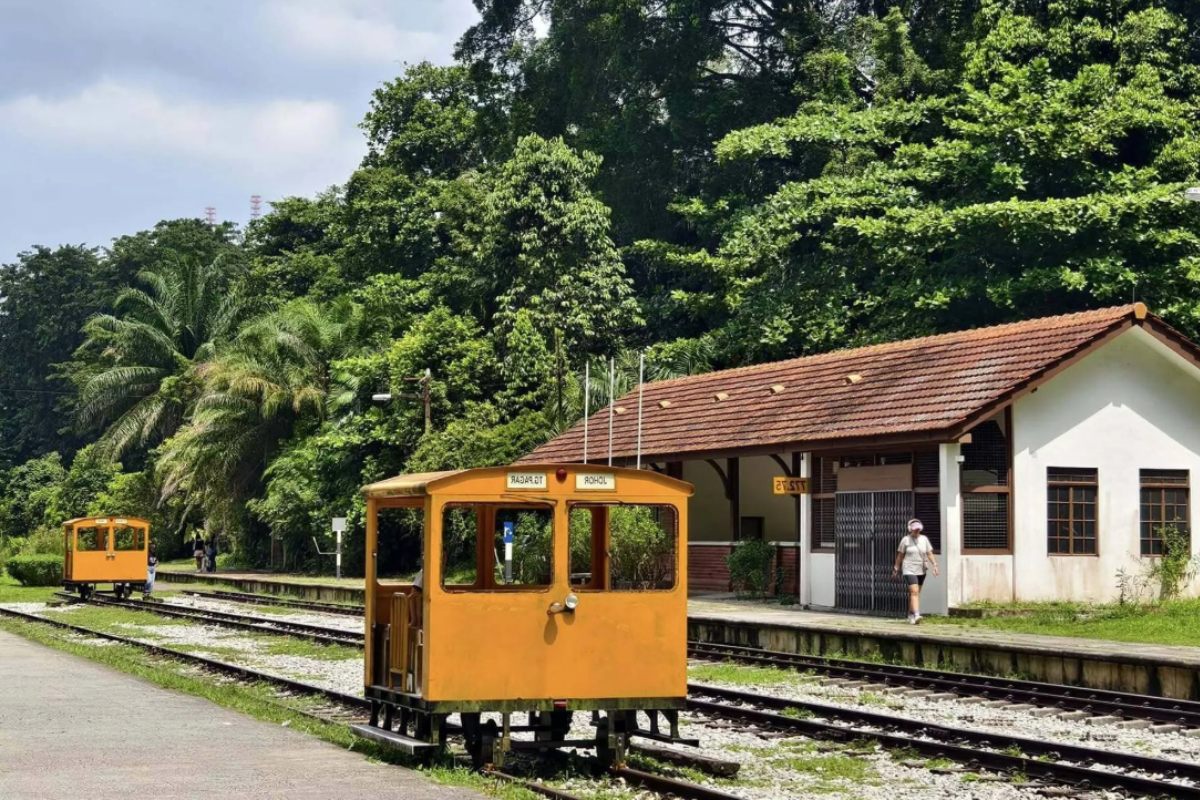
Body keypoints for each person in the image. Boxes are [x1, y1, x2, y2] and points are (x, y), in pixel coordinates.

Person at [893, 518, 938, 624]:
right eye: (915, 529)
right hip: (909, 569)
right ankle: (917, 615)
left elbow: (929, 553)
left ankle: (910, 614)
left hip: (921, 569)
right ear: (910, 529)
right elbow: (900, 555)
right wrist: (896, 567)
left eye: (918, 529)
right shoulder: (905, 540)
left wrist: (935, 565)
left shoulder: (924, 539)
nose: (917, 530)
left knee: (915, 594)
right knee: (914, 592)